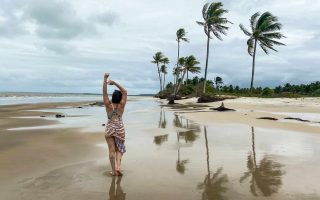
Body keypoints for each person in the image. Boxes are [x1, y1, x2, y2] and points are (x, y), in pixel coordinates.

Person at [103, 73, 127, 176]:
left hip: (109, 128)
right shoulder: (122, 105)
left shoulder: (108, 104)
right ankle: (118, 167)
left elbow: (104, 93)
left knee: (111, 151)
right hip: (119, 128)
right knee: (119, 149)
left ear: (112, 97)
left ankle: (113, 171)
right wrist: (115, 83)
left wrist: (105, 79)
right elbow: (125, 91)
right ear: (120, 97)